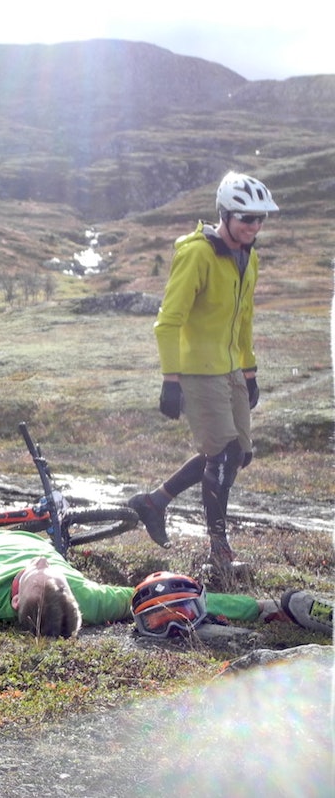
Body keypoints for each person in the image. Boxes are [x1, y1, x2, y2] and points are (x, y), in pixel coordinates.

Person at [127, 172, 277, 581]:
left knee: (238, 454)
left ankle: (155, 502)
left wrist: (249, 371)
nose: (254, 226)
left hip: (229, 369)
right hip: (196, 371)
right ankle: (219, 553)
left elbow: (243, 319)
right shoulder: (197, 254)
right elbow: (168, 321)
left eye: (261, 219)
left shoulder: (249, 257)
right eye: (246, 217)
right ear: (225, 214)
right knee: (224, 454)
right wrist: (170, 380)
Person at [0, 530, 333, 638]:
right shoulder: (97, 600)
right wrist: (269, 605)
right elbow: (165, 599)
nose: (42, 565)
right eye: (43, 570)